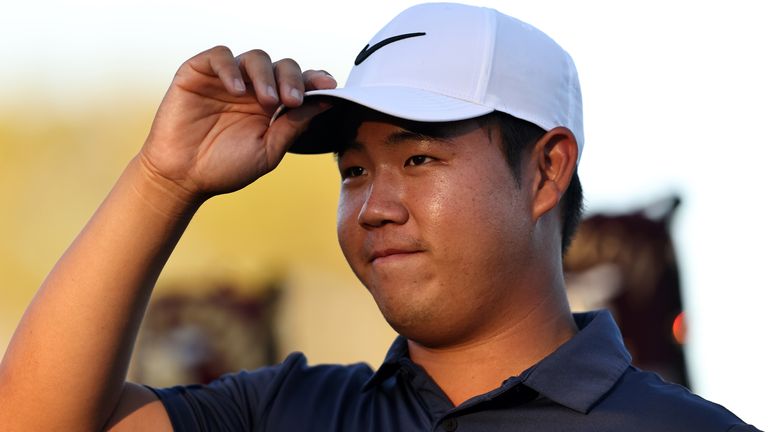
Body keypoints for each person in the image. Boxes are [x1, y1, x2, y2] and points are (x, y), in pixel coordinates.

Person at [0, 3, 760, 431]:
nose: (374, 207)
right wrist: (164, 181)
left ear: (546, 170)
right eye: (354, 171)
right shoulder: (282, 413)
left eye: (419, 159)